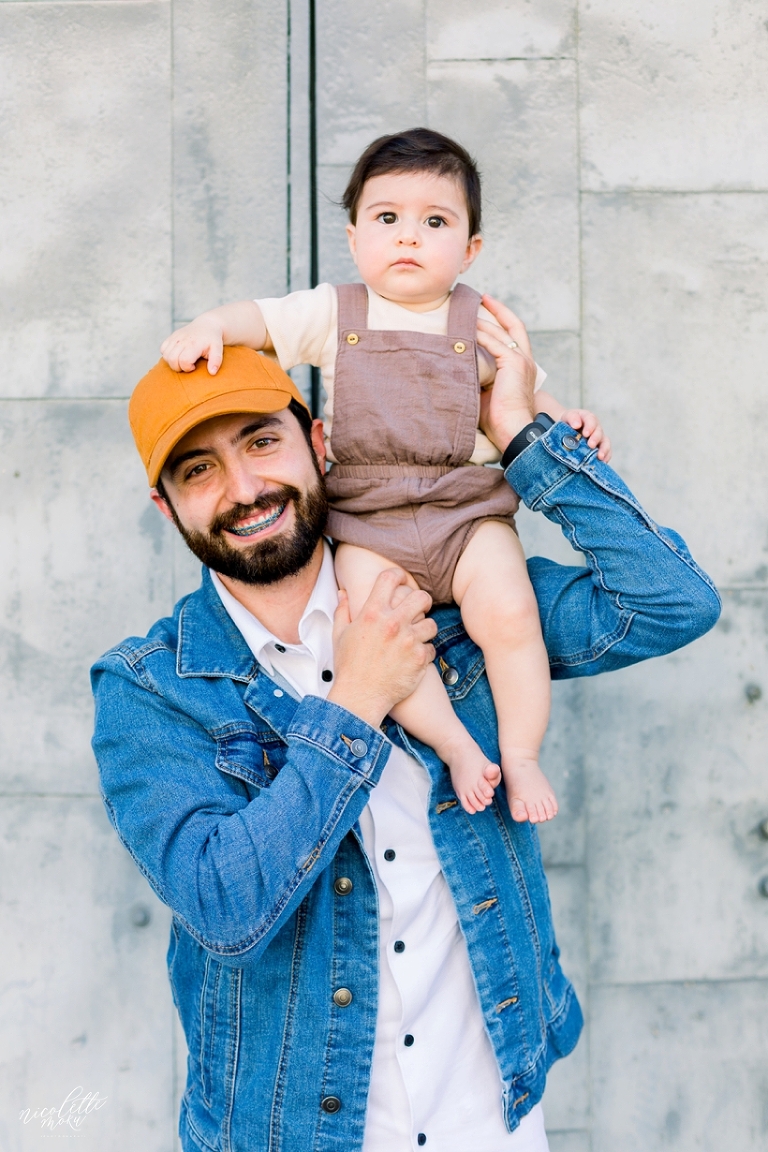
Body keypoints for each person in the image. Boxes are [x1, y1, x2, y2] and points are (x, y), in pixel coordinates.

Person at [92, 327, 719, 1152]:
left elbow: (672, 602)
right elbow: (224, 906)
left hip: (490, 1114)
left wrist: (523, 440)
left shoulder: (450, 592)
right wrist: (355, 701)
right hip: (289, 1133)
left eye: (262, 441)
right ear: (165, 505)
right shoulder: (148, 688)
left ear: (319, 443)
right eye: (199, 470)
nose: (245, 488)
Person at [159, 128, 611, 822]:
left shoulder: (479, 323)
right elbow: (262, 319)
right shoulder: (335, 312)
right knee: (380, 638)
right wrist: (211, 326)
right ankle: (458, 746)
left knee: (511, 616)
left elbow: (525, 394)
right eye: (387, 218)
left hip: (466, 513)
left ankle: (519, 753)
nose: (409, 237)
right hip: (367, 520)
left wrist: (565, 421)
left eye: (435, 222)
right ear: (353, 238)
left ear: (470, 249)